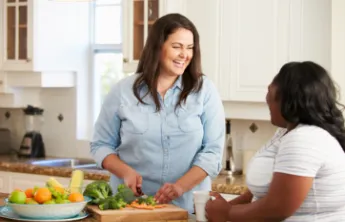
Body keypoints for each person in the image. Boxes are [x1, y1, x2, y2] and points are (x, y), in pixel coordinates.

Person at [90, 13, 225, 213]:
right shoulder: (123, 92)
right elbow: (100, 145)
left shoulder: (204, 91)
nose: (185, 55)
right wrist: (125, 172)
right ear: (157, 46)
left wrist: (179, 187)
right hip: (130, 209)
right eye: (177, 46)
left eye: (189, 48)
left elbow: (212, 153)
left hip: (186, 208)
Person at [205, 61, 345, 221]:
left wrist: (227, 213)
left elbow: (278, 207)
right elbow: (263, 194)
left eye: (270, 93)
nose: (267, 101)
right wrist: (227, 207)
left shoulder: (305, 139)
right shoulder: (287, 133)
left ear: (290, 99)